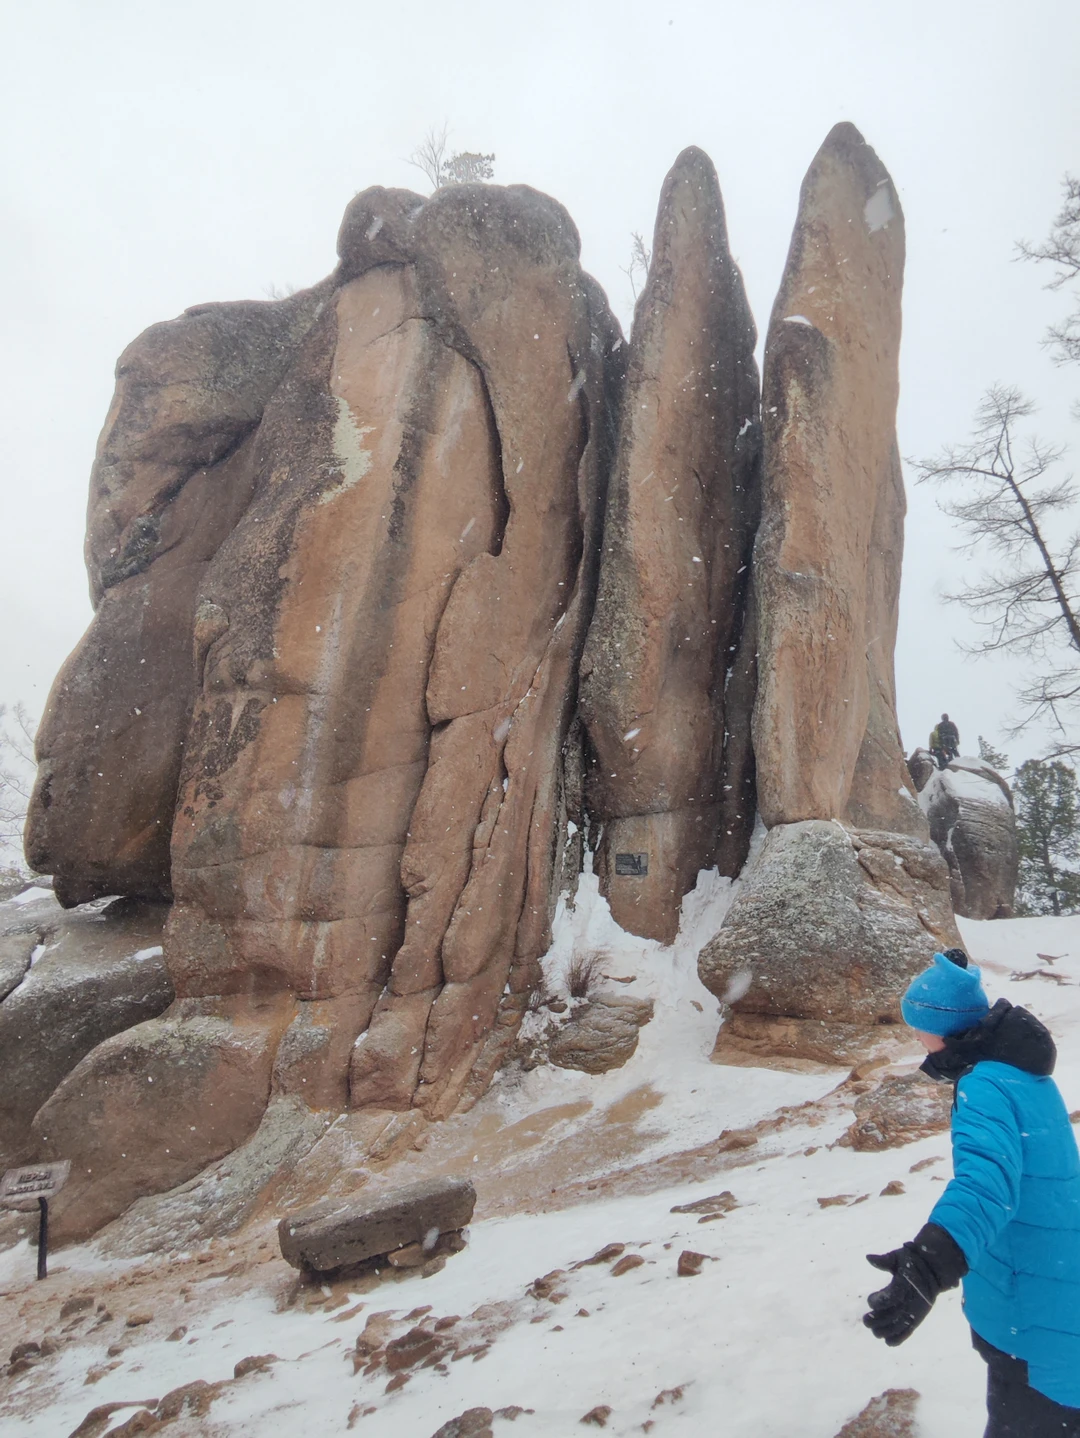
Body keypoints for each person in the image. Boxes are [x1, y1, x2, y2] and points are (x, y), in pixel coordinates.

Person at [863, 948, 1080, 1436]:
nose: (916, 1039)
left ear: (939, 1028)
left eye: (916, 1027)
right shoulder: (1020, 1072)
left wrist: (927, 1264)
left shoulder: (984, 1084)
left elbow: (987, 1184)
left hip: (1035, 1322)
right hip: (1056, 1289)